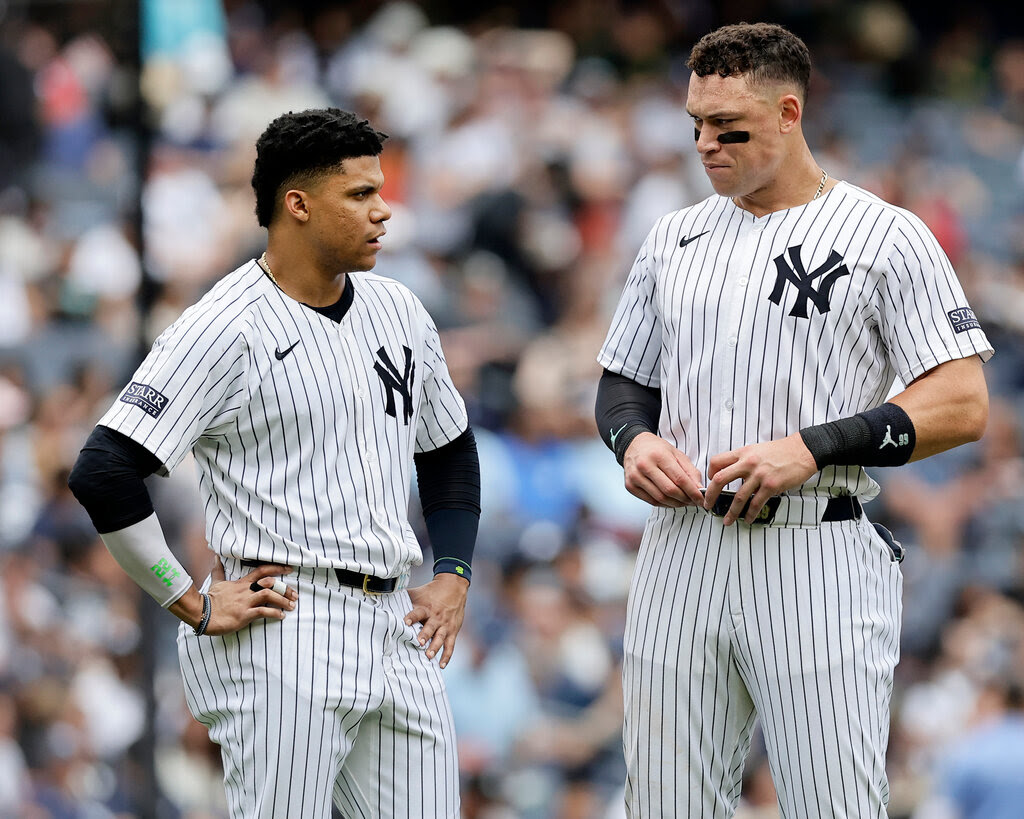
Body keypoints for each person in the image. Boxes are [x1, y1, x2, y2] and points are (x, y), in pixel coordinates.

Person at [594, 22, 992, 819]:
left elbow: (962, 401)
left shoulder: (885, 234)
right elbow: (623, 382)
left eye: (729, 128)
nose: (706, 144)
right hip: (682, 545)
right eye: (697, 125)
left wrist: (813, 446)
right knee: (664, 805)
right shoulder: (676, 235)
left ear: (788, 113)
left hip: (816, 543)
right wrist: (632, 441)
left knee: (831, 803)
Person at [68, 108, 480, 818]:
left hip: (395, 620)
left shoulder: (400, 308)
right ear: (298, 204)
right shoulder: (226, 324)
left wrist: (454, 573)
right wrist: (187, 599)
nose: (384, 211)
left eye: (379, 191)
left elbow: (446, 444)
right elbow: (103, 467)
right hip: (288, 620)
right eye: (360, 195)